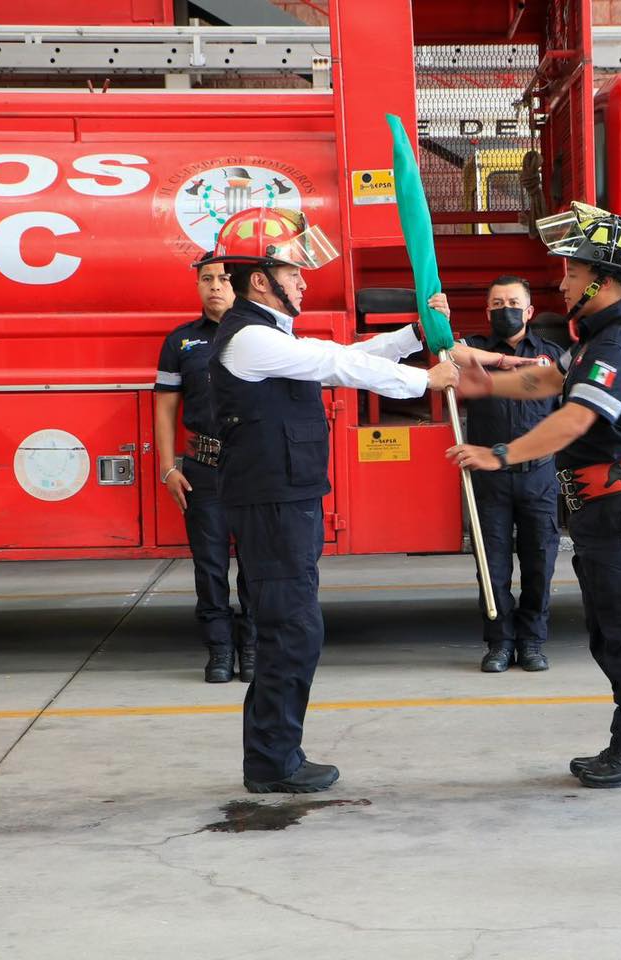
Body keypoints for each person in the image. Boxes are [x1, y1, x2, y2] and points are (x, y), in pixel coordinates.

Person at [200, 206, 459, 794]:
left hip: (286, 500)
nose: (304, 279)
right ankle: (272, 762)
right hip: (272, 504)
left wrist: (415, 335)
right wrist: (425, 381)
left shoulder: (267, 334)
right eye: (294, 270)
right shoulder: (251, 339)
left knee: (294, 627)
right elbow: (336, 363)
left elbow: (345, 352)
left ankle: (277, 754)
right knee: (290, 629)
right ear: (261, 279)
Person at [447, 202, 621, 788]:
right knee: (611, 629)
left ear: (606, 277)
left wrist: (500, 454)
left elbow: (573, 418)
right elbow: (548, 378)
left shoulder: (619, 343)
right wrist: (485, 382)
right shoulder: (594, 340)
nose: (562, 279)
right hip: (601, 509)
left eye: (574, 271)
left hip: (619, 506)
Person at [431, 278, 565, 673]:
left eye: (513, 302)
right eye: (497, 303)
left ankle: (533, 642)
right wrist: (441, 320)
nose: (505, 309)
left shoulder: (551, 356)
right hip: (488, 479)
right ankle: (499, 644)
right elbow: (445, 351)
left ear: (529, 312)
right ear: (487, 311)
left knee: (540, 563)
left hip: (538, 475)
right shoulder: (473, 351)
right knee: (492, 567)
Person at [154, 259, 257, 684]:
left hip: (252, 466)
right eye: (206, 280)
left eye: (224, 280)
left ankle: (252, 648)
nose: (215, 287)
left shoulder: (258, 336)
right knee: (209, 564)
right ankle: (218, 650)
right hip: (204, 469)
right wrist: (167, 469)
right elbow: (165, 405)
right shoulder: (181, 342)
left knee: (256, 563)